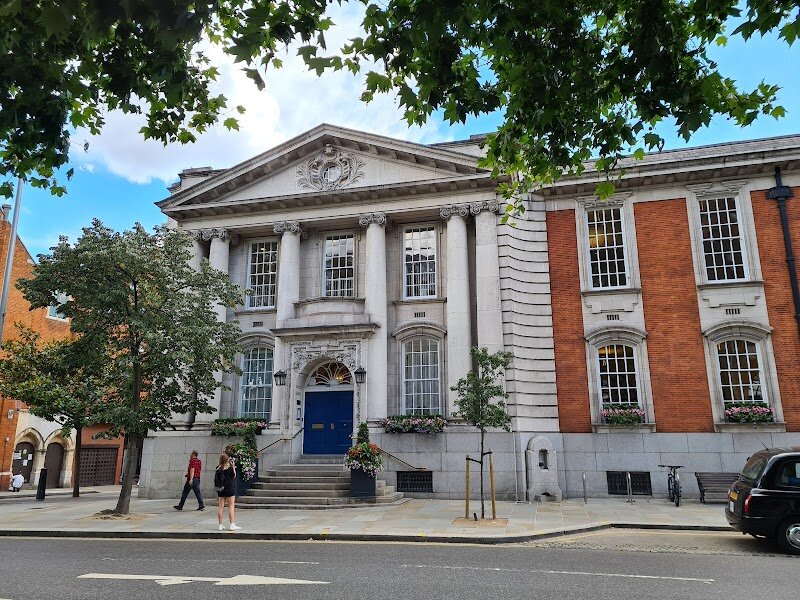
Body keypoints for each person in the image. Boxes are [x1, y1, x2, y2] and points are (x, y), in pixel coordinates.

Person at [215, 452, 240, 531]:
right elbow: (234, 475)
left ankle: (220, 525)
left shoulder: (218, 469)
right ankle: (232, 524)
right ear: (227, 460)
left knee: (221, 507)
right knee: (231, 506)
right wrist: (232, 466)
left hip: (221, 490)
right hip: (229, 489)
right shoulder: (229, 468)